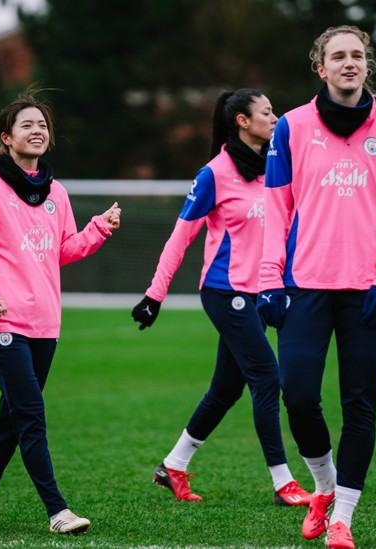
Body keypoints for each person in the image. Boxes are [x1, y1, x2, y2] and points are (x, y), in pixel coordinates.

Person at [256, 26, 376, 549]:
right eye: (338, 56)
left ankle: (342, 517)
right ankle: (323, 486)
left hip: (366, 290)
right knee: (297, 394)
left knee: (360, 405)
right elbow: (275, 209)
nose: (350, 63)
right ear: (320, 68)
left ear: (369, 66)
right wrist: (268, 281)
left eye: (358, 56)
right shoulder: (292, 128)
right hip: (304, 287)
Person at [131, 89, 311, 508]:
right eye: (267, 112)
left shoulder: (275, 167)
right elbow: (180, 238)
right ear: (243, 122)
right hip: (224, 292)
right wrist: (154, 295)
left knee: (226, 389)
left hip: (262, 294)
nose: (275, 117)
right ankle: (284, 483)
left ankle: (173, 466)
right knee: (266, 376)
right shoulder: (213, 174)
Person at [0, 93, 121, 535]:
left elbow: (62, 251)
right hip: (1, 323)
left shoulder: (56, 192)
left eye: (42, 124)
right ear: (6, 138)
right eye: (27, 125)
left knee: (11, 422)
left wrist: (98, 229)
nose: (37, 131)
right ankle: (58, 511)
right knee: (31, 416)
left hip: (45, 324)